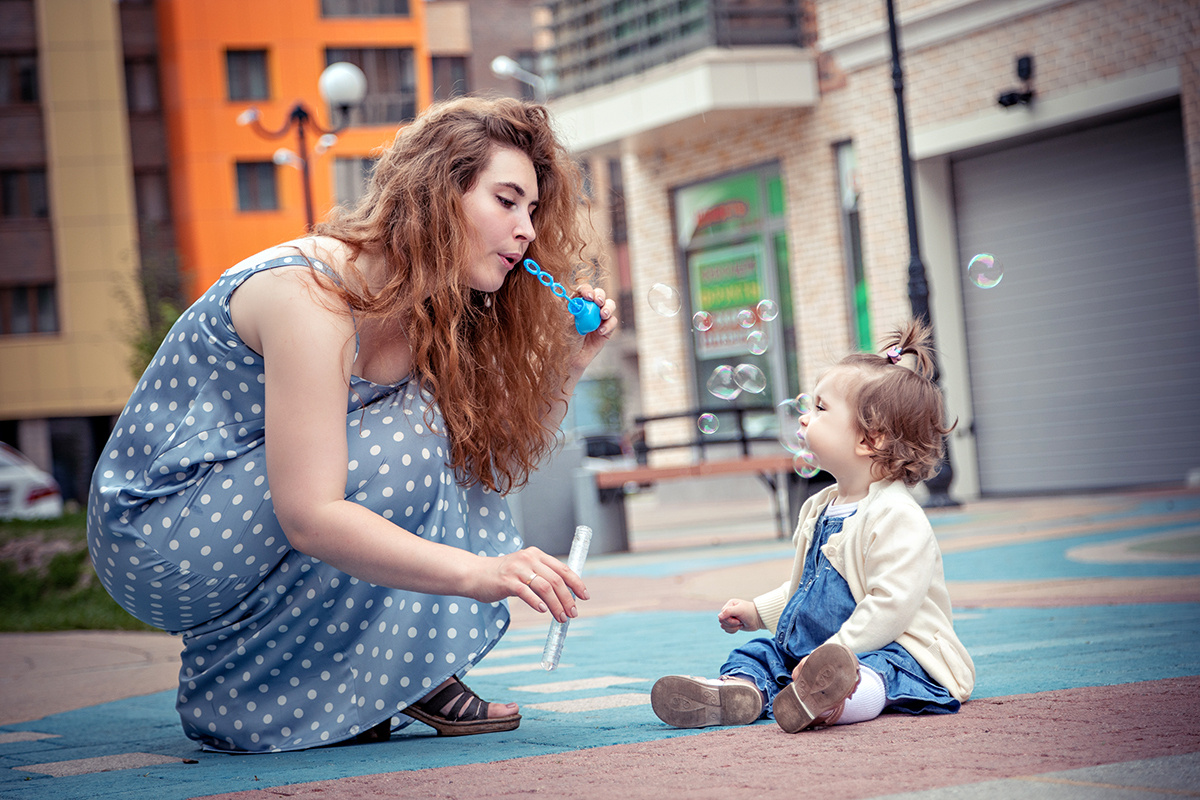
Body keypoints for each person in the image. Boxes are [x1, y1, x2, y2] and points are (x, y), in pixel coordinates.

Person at [87, 96, 617, 753]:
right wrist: (479, 574)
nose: (527, 230)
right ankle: (247, 699)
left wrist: (569, 363)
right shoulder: (310, 294)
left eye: (533, 210)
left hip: (245, 511)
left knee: (449, 431)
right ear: (437, 194)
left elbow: (492, 463)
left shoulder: (431, 310)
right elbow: (310, 514)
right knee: (412, 436)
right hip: (161, 534)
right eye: (506, 201)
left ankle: (394, 678)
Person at [650, 320, 974, 733]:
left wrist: (841, 649)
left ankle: (840, 701)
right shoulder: (821, 506)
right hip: (818, 651)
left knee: (881, 670)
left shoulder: (896, 514)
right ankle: (740, 690)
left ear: (869, 440)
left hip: (898, 646)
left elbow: (890, 607)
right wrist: (758, 612)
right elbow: (808, 587)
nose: (805, 418)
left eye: (820, 409)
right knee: (761, 652)